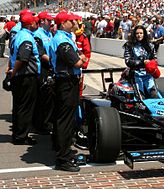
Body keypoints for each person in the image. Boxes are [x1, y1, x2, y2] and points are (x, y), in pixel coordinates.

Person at [50, 11, 87, 172]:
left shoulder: (64, 38)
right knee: (65, 120)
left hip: (65, 81)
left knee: (64, 119)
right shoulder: (61, 40)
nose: (75, 24)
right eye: (71, 21)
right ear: (63, 23)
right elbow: (78, 62)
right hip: (66, 83)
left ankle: (63, 151)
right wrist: (82, 58)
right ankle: (63, 159)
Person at [10, 13, 40, 145]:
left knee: (18, 106)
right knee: (25, 107)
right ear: (29, 24)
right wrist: (13, 73)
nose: (36, 25)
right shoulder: (26, 37)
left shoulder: (19, 35)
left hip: (20, 76)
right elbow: (23, 58)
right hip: (26, 76)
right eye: (35, 23)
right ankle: (21, 136)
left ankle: (18, 134)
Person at [123, 25, 161, 99]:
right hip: (136, 75)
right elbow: (128, 61)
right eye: (137, 33)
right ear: (134, 34)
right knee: (141, 98)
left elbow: (155, 59)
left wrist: (151, 63)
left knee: (155, 96)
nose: (139, 35)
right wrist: (142, 62)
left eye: (141, 33)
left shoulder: (150, 45)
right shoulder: (129, 45)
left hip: (148, 75)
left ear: (144, 34)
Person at [33, 11, 54, 134]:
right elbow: (41, 54)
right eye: (48, 20)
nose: (51, 22)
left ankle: (46, 122)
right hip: (42, 70)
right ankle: (40, 125)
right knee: (42, 98)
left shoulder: (49, 34)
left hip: (49, 68)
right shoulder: (38, 35)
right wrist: (54, 62)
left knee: (48, 98)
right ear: (42, 21)